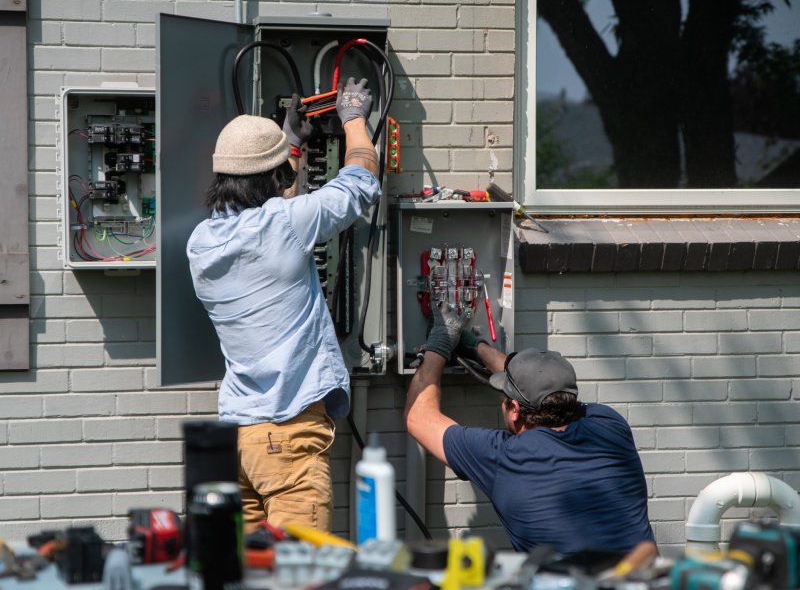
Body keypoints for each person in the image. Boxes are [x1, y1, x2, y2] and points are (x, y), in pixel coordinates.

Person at [186, 78, 380, 533]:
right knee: (299, 570)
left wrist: (289, 143)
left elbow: (271, 218)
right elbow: (361, 182)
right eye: (283, 176)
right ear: (273, 179)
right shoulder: (285, 224)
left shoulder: (201, 243)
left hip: (237, 436)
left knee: (251, 570)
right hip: (288, 438)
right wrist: (354, 121)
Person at [404, 304, 655, 555]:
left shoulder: (505, 457)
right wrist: (476, 347)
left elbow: (418, 416)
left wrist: (440, 341)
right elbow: (542, 386)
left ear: (514, 409)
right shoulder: (610, 425)